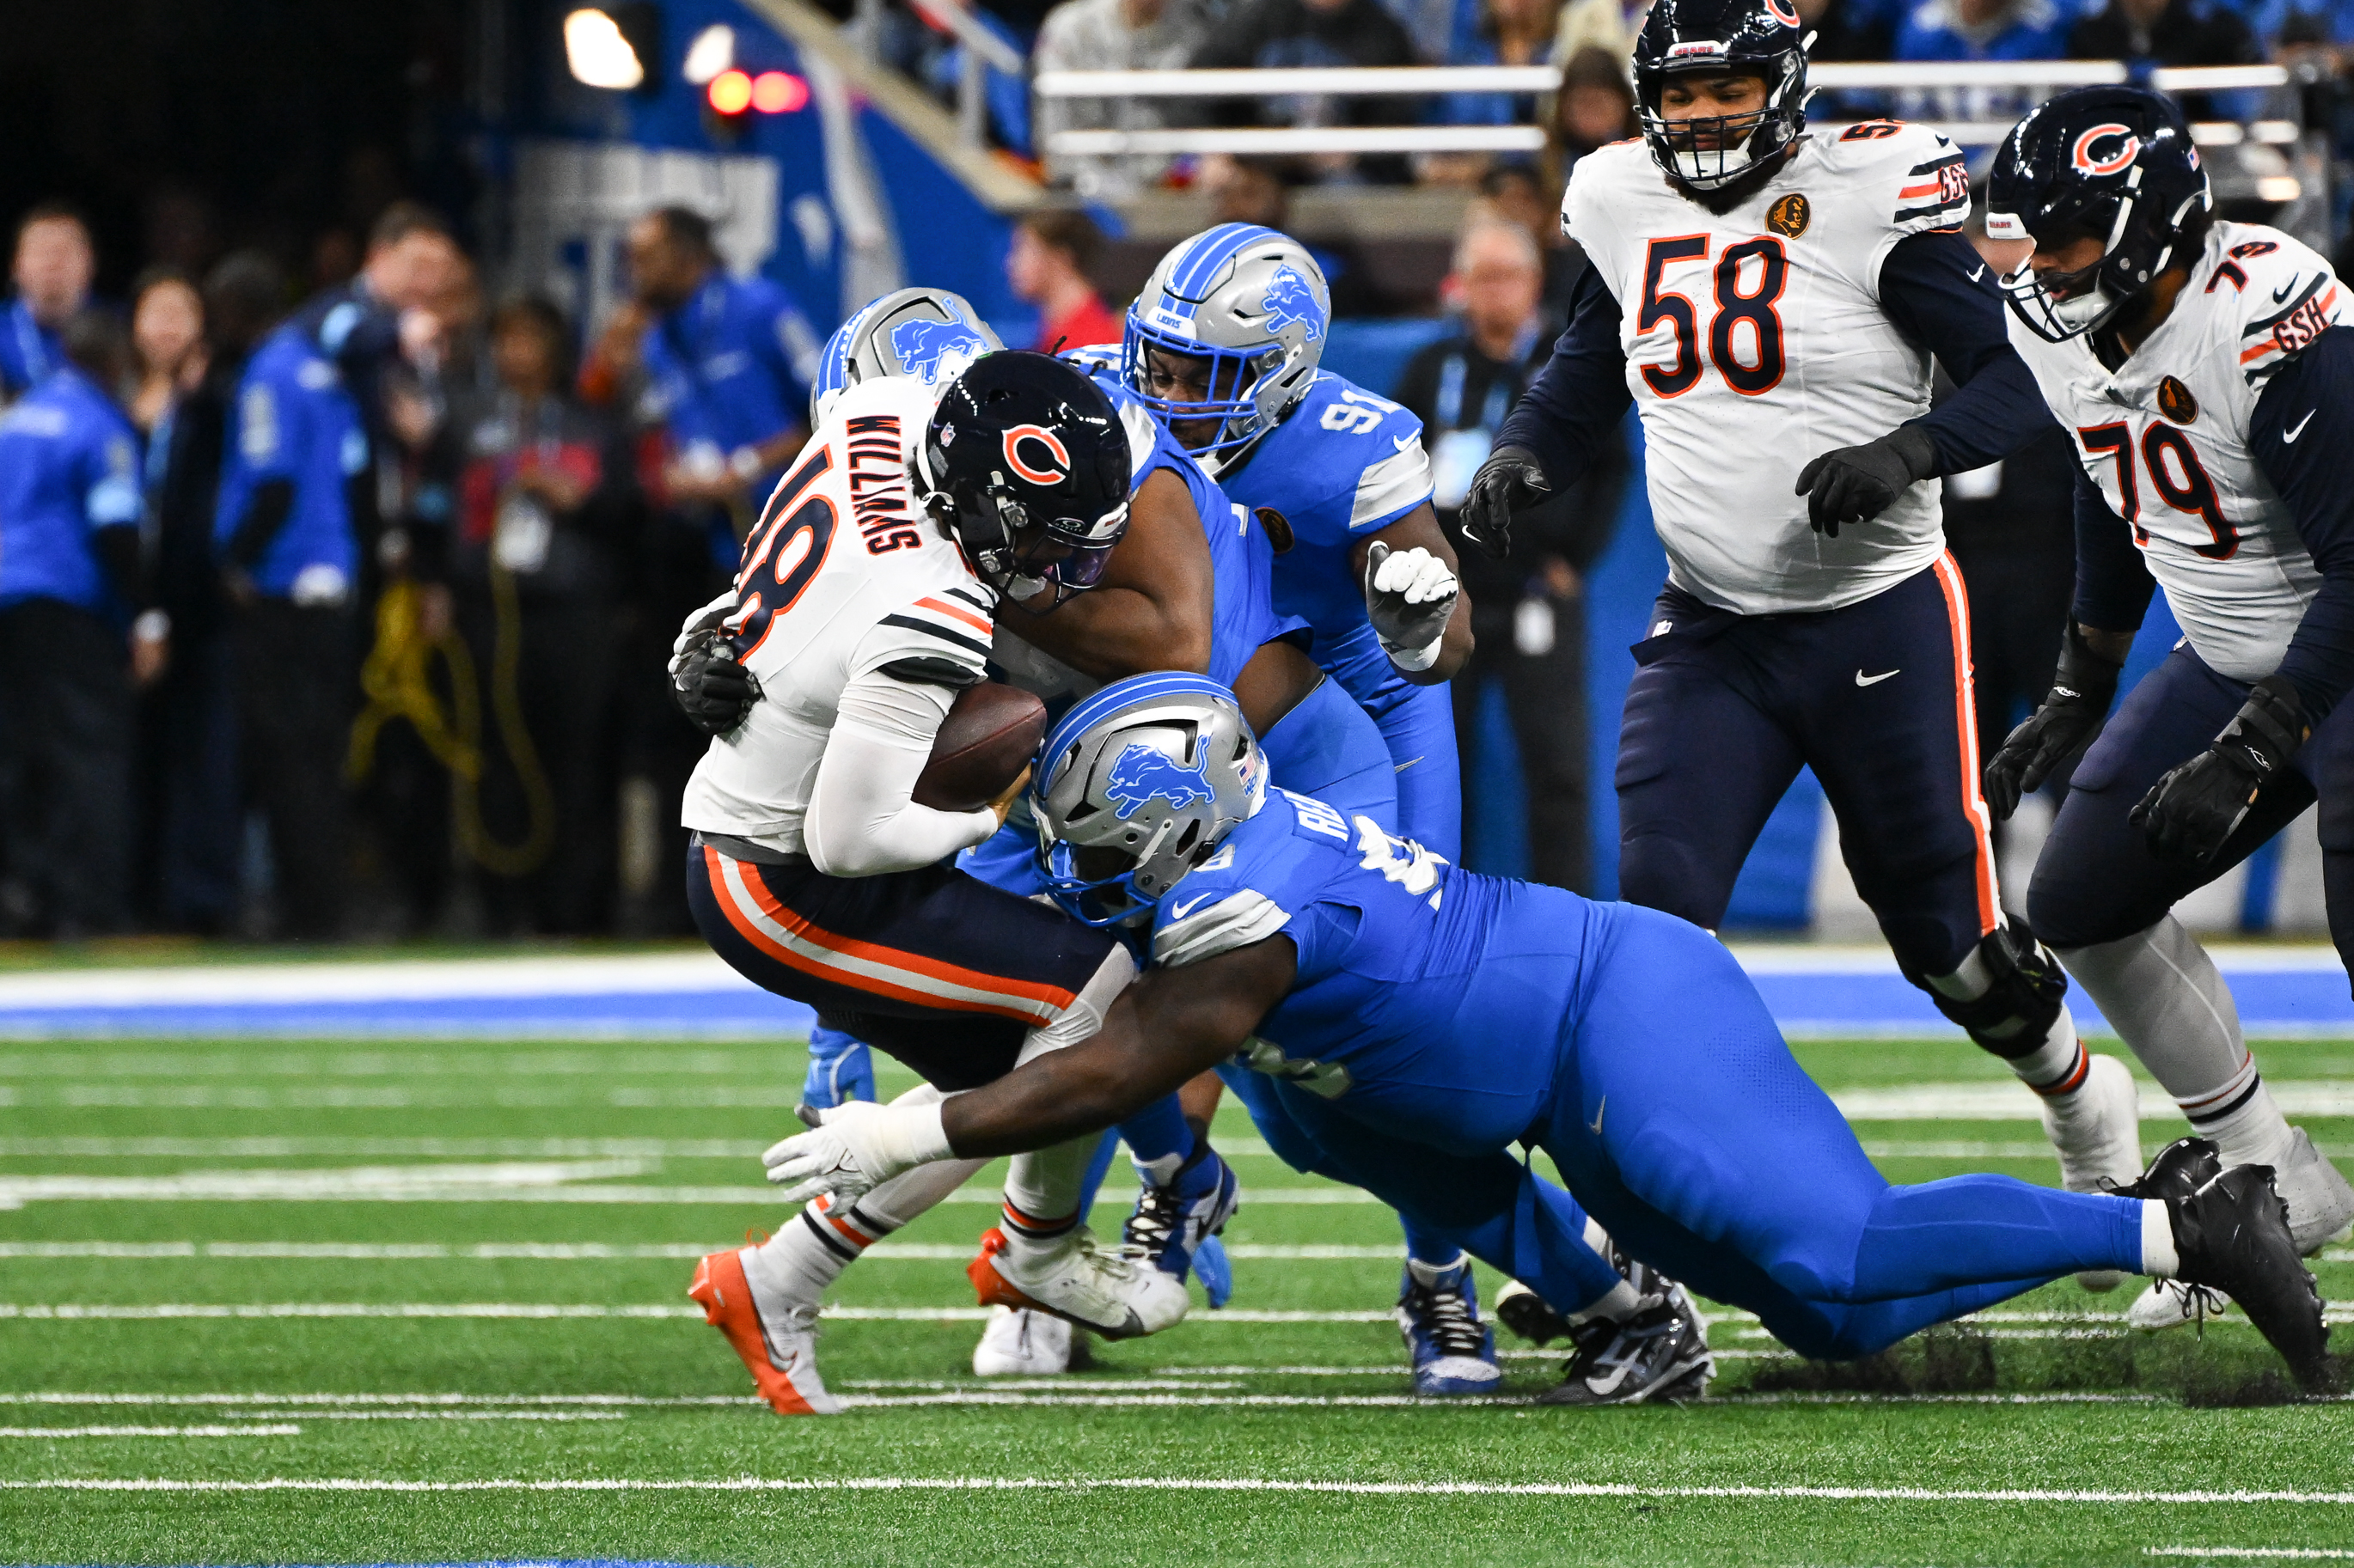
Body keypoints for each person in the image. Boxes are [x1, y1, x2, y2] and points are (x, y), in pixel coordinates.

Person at [763, 673, 2339, 1396]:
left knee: (1841, 1260)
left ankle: (2180, 1220)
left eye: (1105, 853)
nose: (1077, 879)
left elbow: (1112, 1065)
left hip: (1614, 1016)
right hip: (1530, 1083)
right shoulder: (1203, 870)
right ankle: (1615, 1309)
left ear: (1179, 833)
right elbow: (1083, 967)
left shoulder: (1242, 928)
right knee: (1831, 1325)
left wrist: (908, 1133)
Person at [1458, 0, 2148, 1254]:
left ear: (1783, 85)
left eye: (1728, 89)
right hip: (1710, 626)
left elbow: (2017, 379)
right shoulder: (1617, 195)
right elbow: (1586, 354)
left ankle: (2083, 1106)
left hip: (1874, 615)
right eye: (1679, 93)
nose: (1703, 113)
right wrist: (1523, 449)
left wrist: (1908, 449)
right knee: (1654, 926)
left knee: (1949, 949)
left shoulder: (1870, 188)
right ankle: (1630, 1232)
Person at [676, 352, 1189, 1416]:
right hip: (778, 877)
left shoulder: (883, 413)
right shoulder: (934, 604)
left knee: (1046, 1048)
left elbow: (787, 581)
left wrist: (716, 629)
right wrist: (987, 806)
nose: (1057, 568)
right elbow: (854, 837)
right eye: (1047, 539)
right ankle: (1021, 1253)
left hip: (763, 824)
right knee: (1087, 1018)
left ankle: (786, 1279)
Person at [1978, 86, 2354, 1332]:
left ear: (2155, 228)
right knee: (2079, 896)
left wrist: (2259, 738)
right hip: (2234, 649)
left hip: (2336, 647)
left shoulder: (2263, 310)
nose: (2040, 267)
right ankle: (2267, 1175)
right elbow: (2111, 479)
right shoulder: (2059, 324)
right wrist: (2082, 682)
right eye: (2027, 235)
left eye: (2068, 239)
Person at [583, 204, 818, 934]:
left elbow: (831, 407)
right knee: (688, 724)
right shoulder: (652, 337)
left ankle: (797, 891)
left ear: (687, 254)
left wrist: (742, 467)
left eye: (644, 256)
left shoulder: (761, 309)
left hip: (787, 557)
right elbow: (615, 417)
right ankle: (690, 900)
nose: (632, 273)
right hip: (698, 559)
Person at [1397, 217, 1625, 892]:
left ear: (1532, 283)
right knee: (1437, 764)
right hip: (1448, 592)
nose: (1494, 292)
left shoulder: (1570, 362)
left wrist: (1572, 560)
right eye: (1481, 277)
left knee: (1556, 763)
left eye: (1507, 276)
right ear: (1460, 286)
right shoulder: (1432, 366)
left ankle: (1568, 914)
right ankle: (1434, 908)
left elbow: (1612, 467)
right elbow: (1397, 467)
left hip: (1535, 591)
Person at [447, 296, 640, 934]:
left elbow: (629, 513)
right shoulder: (469, 424)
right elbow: (437, 516)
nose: (517, 353)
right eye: (505, 339)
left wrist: (580, 498)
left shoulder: (595, 426)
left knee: (577, 758)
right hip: (492, 612)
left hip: (575, 613)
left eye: (530, 339)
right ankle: (501, 906)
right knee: (498, 752)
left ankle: (579, 911)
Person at [214, 261, 377, 940]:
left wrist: (233, 561)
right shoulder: (323, 373)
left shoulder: (268, 375)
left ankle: (304, 911)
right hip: (332, 580)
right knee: (319, 754)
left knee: (285, 758)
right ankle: (325, 902)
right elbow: (356, 473)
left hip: (284, 586)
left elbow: (272, 484)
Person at [0, 311, 161, 937]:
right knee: (86, 752)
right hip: (67, 602)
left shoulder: (17, 421)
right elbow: (116, 526)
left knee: (17, 755)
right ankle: (86, 906)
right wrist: (144, 616)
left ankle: (23, 897)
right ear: (117, 365)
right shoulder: (100, 425)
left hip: (6, 601)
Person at [127, 267, 240, 934]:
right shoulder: (110, 399)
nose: (167, 326)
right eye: (155, 312)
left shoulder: (221, 403)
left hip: (200, 606)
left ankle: (199, 898)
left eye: (181, 312)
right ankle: (136, 888)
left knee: (203, 752)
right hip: (124, 600)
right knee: (135, 752)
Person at [1190, 0, 1422, 183]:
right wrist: (1216, 150)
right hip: (1260, 165)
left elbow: (1394, 126)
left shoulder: (1383, 34)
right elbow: (1199, 84)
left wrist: (1356, 155)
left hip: (1339, 174)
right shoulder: (1259, 19)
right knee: (1230, 188)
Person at [1035, 0, 1215, 198]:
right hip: (1086, 195)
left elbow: (1206, 128)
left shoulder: (1199, 29)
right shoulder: (1072, 29)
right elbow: (1056, 141)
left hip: (1172, 191)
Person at [2, 204, 95, 405]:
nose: (52, 264)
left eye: (63, 252)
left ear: (89, 263)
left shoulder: (117, 329)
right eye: (41, 252)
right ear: (16, 266)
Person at [1006, 210, 1122, 354]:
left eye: (1024, 250)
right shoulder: (1058, 334)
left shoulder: (1087, 346)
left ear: (1060, 258)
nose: (1011, 263)